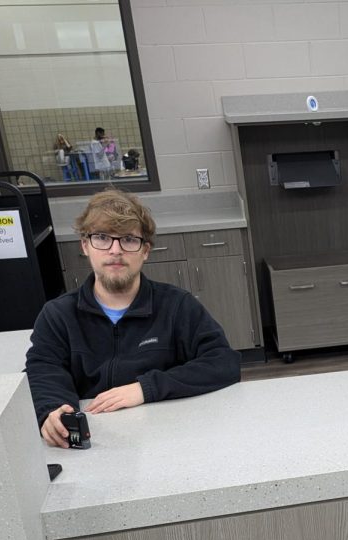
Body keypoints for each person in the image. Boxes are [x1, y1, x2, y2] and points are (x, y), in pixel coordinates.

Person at [26, 189, 243, 448]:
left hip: (169, 441)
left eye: (128, 239)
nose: (115, 250)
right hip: (94, 444)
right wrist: (53, 410)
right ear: (85, 246)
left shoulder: (176, 306)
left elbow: (223, 362)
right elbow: (43, 371)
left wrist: (145, 389)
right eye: (103, 238)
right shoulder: (58, 315)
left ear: (145, 251)